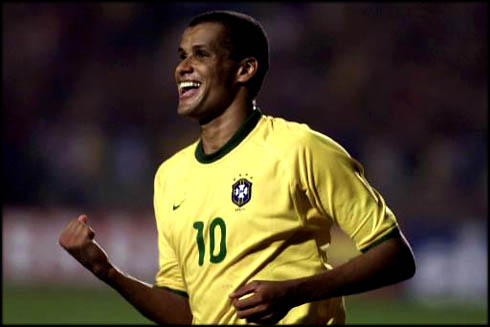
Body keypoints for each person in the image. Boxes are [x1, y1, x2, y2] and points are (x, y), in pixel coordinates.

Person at [59, 10, 416, 325]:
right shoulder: (170, 176)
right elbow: (184, 313)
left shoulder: (300, 149)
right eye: (182, 55)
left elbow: (395, 256)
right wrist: (104, 271)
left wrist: (294, 293)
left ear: (244, 69)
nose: (182, 67)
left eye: (200, 54)